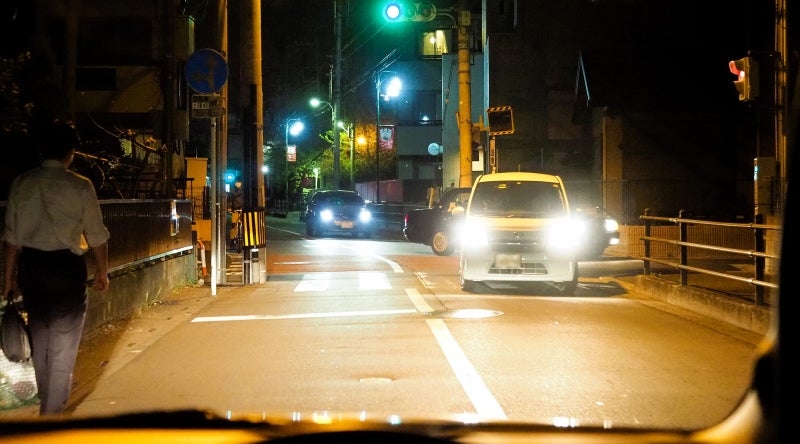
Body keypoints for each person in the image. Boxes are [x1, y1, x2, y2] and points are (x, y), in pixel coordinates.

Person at [2, 119, 111, 415]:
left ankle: (48, 407)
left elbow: (11, 239)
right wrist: (102, 271)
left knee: (40, 335)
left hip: (32, 267)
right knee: (64, 343)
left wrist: (8, 278)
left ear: (41, 150)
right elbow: (97, 235)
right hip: (66, 268)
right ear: (70, 152)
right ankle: (51, 415)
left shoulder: (23, 184)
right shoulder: (80, 186)